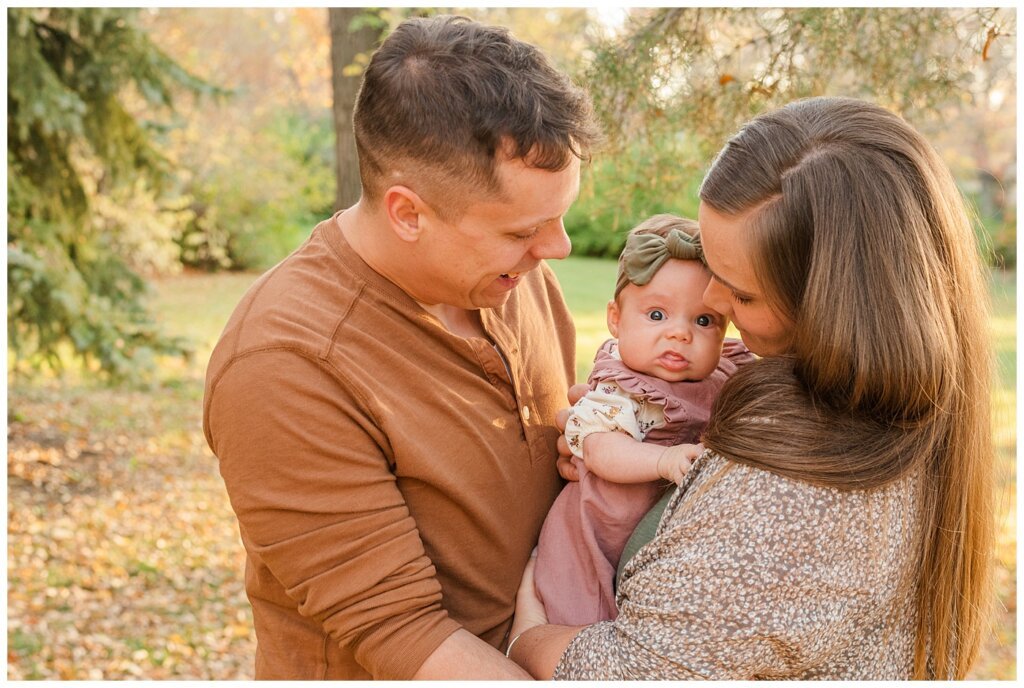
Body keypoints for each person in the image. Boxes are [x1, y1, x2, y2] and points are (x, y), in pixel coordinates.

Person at [506, 96, 994, 680]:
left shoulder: (800, 490)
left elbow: (637, 673)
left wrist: (529, 639)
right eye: (713, 269)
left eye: (741, 295)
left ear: (832, 309)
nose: (712, 304)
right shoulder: (893, 405)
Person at [203, 15, 600, 680]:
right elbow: (405, 635)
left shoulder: (514, 277)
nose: (556, 248)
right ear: (408, 212)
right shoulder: (284, 366)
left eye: (560, 218)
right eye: (525, 229)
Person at [533, 215, 752, 625]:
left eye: (703, 321)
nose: (679, 334)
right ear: (616, 319)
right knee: (582, 620)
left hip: (659, 541)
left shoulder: (723, 374)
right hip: (594, 537)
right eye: (656, 315)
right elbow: (601, 449)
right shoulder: (623, 388)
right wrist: (662, 461)